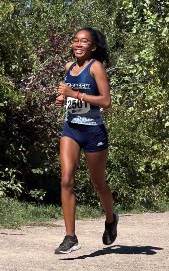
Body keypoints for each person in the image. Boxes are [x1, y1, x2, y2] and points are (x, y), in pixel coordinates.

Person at [54, 27, 118, 254]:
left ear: (93, 47)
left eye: (84, 41)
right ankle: (70, 237)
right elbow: (68, 92)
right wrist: (62, 98)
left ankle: (111, 219)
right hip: (71, 129)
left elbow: (106, 101)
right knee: (66, 179)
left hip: (93, 132)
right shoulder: (68, 67)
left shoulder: (96, 67)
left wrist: (75, 95)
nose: (78, 44)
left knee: (98, 183)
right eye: (75, 40)